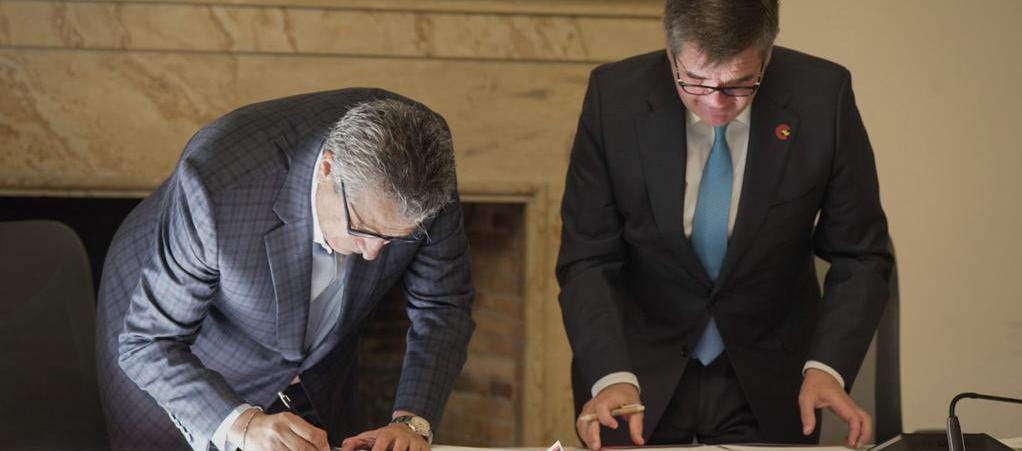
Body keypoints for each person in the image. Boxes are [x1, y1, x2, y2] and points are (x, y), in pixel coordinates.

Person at [556, 0, 893, 448]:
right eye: (694, 80)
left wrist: (826, 367)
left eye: (739, 84)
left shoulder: (822, 96)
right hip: (633, 374)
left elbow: (861, 254)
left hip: (772, 375)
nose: (715, 101)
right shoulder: (613, 97)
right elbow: (588, 257)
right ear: (671, 51)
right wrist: (610, 373)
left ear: (767, 55)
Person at [95, 88, 475, 451]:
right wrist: (243, 424)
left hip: (319, 360)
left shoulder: (425, 166)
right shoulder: (217, 187)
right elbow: (148, 343)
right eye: (362, 229)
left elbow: (442, 307)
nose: (374, 254)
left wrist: (412, 422)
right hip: (184, 349)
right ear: (328, 169)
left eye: (397, 239)